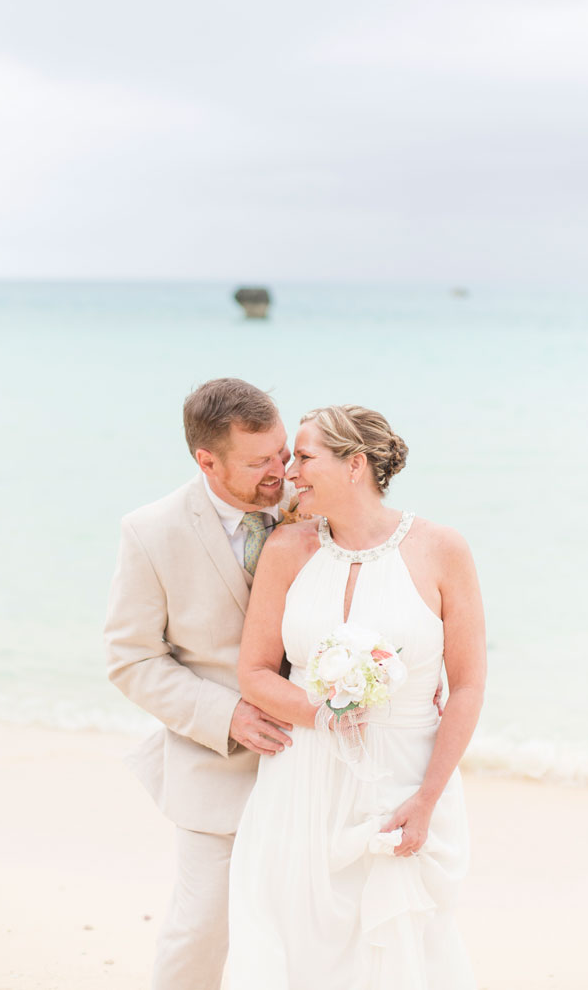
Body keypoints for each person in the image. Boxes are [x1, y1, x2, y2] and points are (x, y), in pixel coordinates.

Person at [227, 404, 486, 990]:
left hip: (404, 779)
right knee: (293, 942)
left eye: (306, 457)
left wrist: (427, 799)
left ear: (355, 465)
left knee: (400, 949)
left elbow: (468, 685)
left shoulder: (442, 549)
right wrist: (324, 713)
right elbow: (256, 672)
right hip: (301, 782)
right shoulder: (287, 549)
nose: (291, 472)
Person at [104, 378, 296, 990]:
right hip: (217, 765)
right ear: (205, 460)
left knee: (312, 926)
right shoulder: (151, 531)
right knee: (202, 929)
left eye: (284, 452)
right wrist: (227, 715)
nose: (280, 471)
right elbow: (131, 659)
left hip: (319, 762)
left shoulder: (313, 504)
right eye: (260, 461)